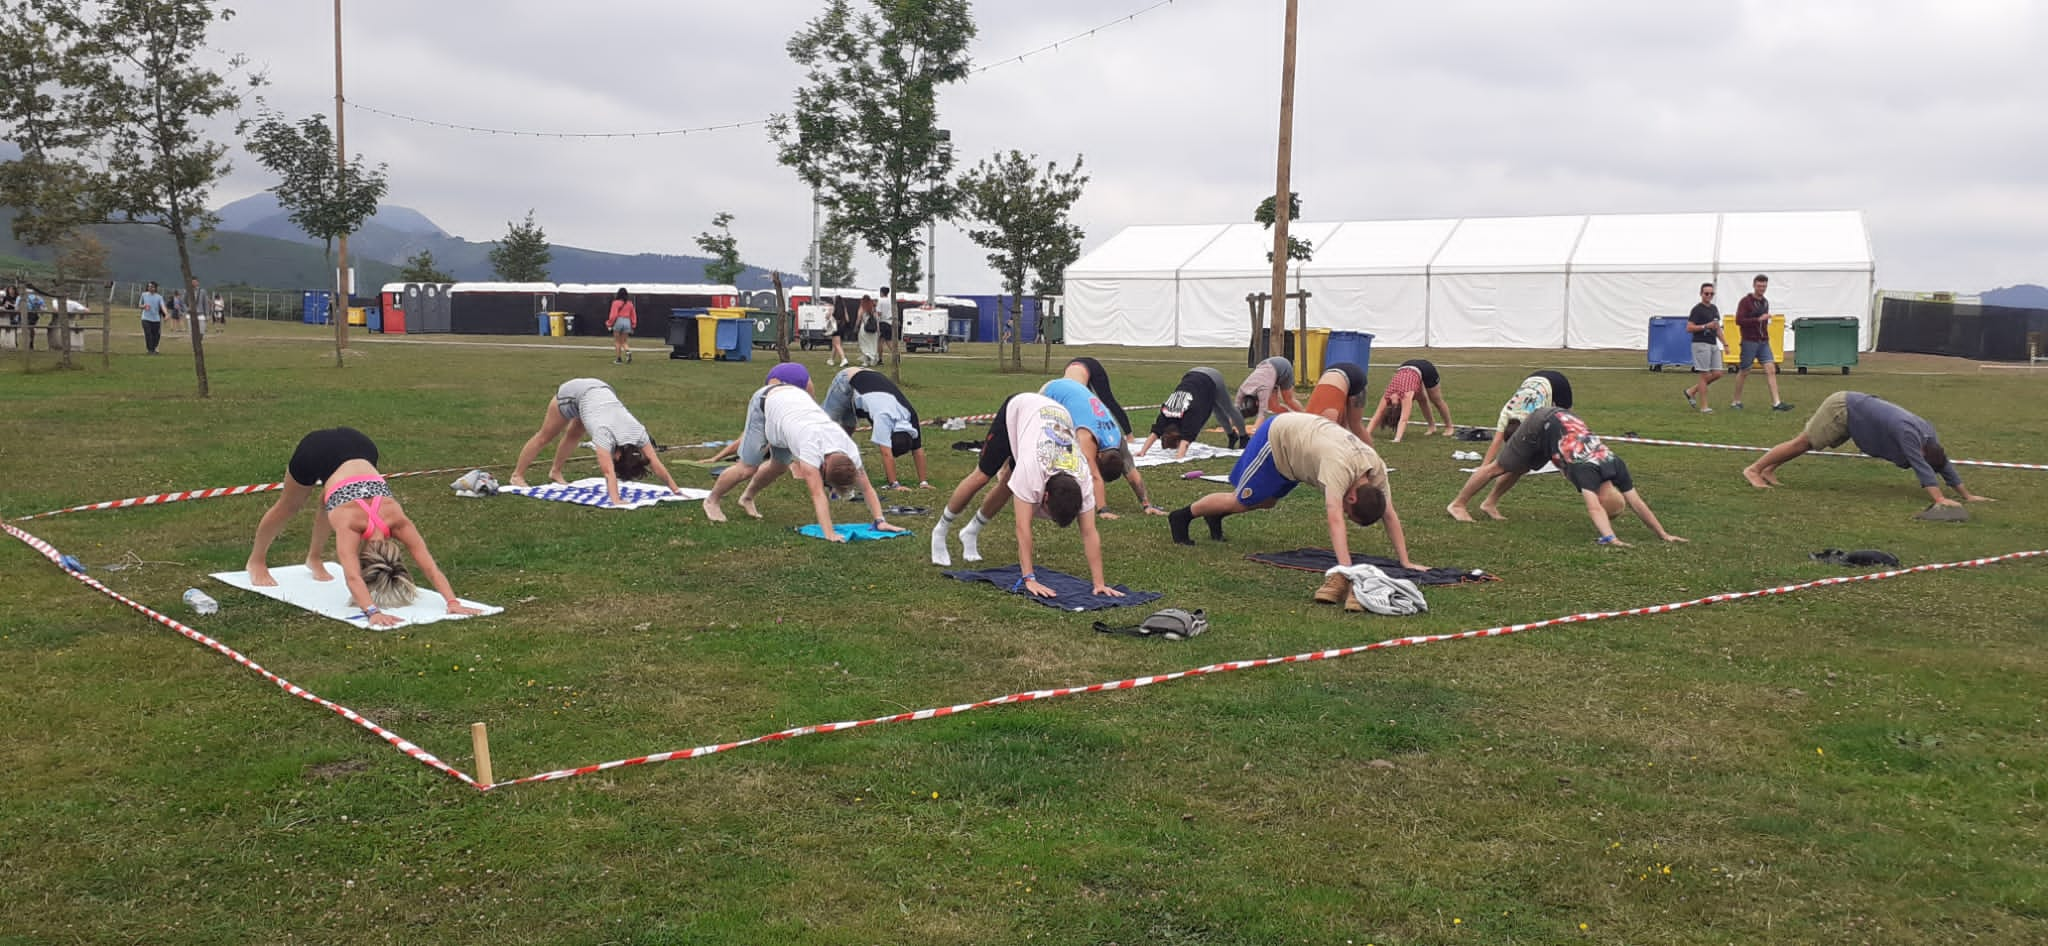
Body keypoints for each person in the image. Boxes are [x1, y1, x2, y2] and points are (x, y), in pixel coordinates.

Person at [1167, 412, 1422, 607]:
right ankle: (1181, 517)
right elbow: (1334, 518)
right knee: (1241, 500)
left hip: (1298, 449)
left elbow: (1389, 513)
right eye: (1349, 511)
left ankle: (1215, 515)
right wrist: (1346, 570)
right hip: (1277, 438)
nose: (1344, 512)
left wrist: (1406, 561)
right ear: (1352, 498)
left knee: (1266, 501)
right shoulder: (1339, 469)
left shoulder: (1375, 469)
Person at [244, 427, 482, 628]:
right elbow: (352, 576)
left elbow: (430, 567)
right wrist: (373, 612)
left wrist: (454, 602)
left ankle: (314, 559)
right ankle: (256, 561)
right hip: (318, 449)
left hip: (362, 446)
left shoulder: (396, 520)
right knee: (289, 506)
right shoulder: (352, 524)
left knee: (330, 500)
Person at [929, 392, 1123, 599]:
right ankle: (941, 530)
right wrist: (1029, 578)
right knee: (982, 477)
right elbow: (1023, 528)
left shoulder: (1083, 480)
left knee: (1009, 484)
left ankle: (970, 531)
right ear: (1045, 496)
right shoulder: (1032, 472)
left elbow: (1089, 533)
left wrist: (1099, 583)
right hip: (1020, 410)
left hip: (1053, 419)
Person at [1445, 406, 1687, 547]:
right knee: (1499, 467)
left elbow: (1637, 503)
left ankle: (1489, 503)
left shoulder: (1615, 466)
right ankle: (1458, 505)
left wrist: (1663, 534)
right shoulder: (1587, 473)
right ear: (1604, 498)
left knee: (1521, 467)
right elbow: (1594, 510)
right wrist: (1610, 538)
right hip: (1542, 422)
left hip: (1562, 423)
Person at [700, 379, 907, 540]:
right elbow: (818, 495)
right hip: (766, 403)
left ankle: (746, 498)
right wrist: (829, 533)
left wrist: (880, 521)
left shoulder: (850, 452)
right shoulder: (810, 453)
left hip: (793, 409)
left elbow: (868, 488)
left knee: (779, 466)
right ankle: (712, 501)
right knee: (747, 468)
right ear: (822, 467)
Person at [1742, 391, 1995, 506]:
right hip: (1842, 407)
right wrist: (1939, 499)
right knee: (1803, 442)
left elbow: (1943, 465)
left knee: (1806, 444)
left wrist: (1967, 495)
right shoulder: (1911, 437)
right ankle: (1754, 470)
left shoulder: (1931, 438)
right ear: (1923, 452)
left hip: (1856, 408)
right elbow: (1923, 469)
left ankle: (1769, 469)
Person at [510, 378, 683, 507]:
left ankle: (555, 472)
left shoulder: (638, 433)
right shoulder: (604, 434)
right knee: (545, 436)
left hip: (600, 392)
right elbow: (608, 472)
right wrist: (616, 500)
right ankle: (517, 476)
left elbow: (656, 464)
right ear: (618, 455)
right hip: (572, 394)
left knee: (574, 434)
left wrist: (676, 490)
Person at [1040, 376, 1165, 518]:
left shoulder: (1118, 439)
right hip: (1052, 392)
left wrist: (1147, 505)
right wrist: (1103, 510)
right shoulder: (1088, 437)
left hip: (1075, 388)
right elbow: (1095, 476)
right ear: (1098, 455)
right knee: (1049, 445)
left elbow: (1133, 474)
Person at [821, 365, 933, 489]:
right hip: (847, 379)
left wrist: (924, 482)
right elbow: (886, 453)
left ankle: (835, 459)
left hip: (869, 378)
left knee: (848, 427)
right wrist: (895, 484)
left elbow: (918, 450)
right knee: (825, 424)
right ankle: (812, 462)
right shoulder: (883, 417)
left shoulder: (910, 416)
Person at [1136, 367, 1249, 457]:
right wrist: (1143, 451)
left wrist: (1179, 457)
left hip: (1212, 378)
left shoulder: (1191, 414)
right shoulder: (1166, 411)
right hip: (1192, 374)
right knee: (1216, 408)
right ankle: (1231, 436)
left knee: (1228, 407)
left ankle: (1244, 437)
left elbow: (1186, 440)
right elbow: (1155, 432)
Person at [1476, 370, 1574, 467]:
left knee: (1567, 419)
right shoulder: (1505, 414)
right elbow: (1496, 442)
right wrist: (1483, 467)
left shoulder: (1533, 420)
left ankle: (1574, 452)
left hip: (1558, 383)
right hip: (1533, 378)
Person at [1727, 274, 1792, 411]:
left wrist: (1764, 326)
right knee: (1744, 371)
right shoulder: (1745, 302)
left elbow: (1763, 322)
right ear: (1754, 285)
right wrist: (1757, 319)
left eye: (1764, 286)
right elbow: (1739, 320)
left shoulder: (1765, 302)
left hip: (1763, 341)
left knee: (1771, 369)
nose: (1762, 288)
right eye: (1759, 286)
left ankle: (1776, 403)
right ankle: (1736, 401)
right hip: (1749, 341)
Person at [1367, 359, 1453, 443]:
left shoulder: (1403, 396)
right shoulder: (1391, 397)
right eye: (1393, 405)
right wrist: (1367, 434)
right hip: (1412, 373)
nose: (1391, 402)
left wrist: (1397, 439)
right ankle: (1432, 427)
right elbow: (1378, 414)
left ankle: (1449, 427)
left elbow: (1403, 419)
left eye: (1391, 404)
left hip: (1425, 368)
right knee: (1422, 400)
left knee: (1436, 400)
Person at [1302, 361, 1375, 444]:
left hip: (1355, 378)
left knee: (1355, 425)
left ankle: (1372, 456)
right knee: (1340, 429)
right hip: (1333, 374)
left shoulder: (1325, 424)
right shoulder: (1309, 424)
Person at [1681, 283, 1723, 412]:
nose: (1709, 296)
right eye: (1706, 293)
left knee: (1717, 373)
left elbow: (1717, 328)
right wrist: (1705, 326)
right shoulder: (1697, 309)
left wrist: (1725, 343)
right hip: (1700, 343)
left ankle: (1691, 391)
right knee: (1704, 375)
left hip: (1713, 343)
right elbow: (1689, 328)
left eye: (1711, 294)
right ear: (1701, 294)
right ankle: (1704, 407)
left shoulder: (1714, 309)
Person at [1063, 356, 1132, 434]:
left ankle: (1129, 435)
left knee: (1108, 401)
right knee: (1086, 407)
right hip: (1075, 368)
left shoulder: (1077, 392)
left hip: (1093, 367)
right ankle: (1093, 433)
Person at [1236, 355, 1304, 426]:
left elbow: (1262, 414)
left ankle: (1308, 418)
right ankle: (1290, 419)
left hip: (1283, 366)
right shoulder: (1242, 389)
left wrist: (1255, 430)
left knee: (1289, 400)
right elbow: (1235, 408)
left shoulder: (1263, 391)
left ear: (1257, 402)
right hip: (1269, 371)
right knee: (1273, 406)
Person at [606, 287, 636, 364]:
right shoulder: (630, 304)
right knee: (624, 341)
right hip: (627, 321)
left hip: (618, 321)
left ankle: (618, 359)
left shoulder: (615, 303)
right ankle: (628, 352)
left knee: (617, 341)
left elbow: (613, 315)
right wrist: (633, 325)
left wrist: (609, 323)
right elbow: (633, 315)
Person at [826, 293, 855, 367]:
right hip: (842, 326)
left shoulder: (832, 307)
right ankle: (831, 359)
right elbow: (847, 318)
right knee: (835, 343)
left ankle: (843, 359)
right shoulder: (843, 307)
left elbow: (828, 316)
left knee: (837, 344)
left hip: (835, 326)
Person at [138, 281, 166, 354]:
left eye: (152, 287)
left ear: (155, 288)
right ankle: (150, 350)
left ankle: (154, 348)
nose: (150, 288)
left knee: (156, 335)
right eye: (149, 286)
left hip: (156, 319)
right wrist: (144, 306)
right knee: (148, 334)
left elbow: (162, 306)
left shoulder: (159, 297)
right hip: (145, 318)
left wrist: (166, 314)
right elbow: (139, 305)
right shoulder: (144, 295)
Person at [855, 295, 881, 367]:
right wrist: (878, 330)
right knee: (872, 345)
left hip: (864, 328)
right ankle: (873, 360)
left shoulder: (862, 308)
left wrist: (856, 327)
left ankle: (866, 361)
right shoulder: (873, 309)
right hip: (873, 330)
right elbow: (877, 320)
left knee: (864, 345)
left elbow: (858, 319)